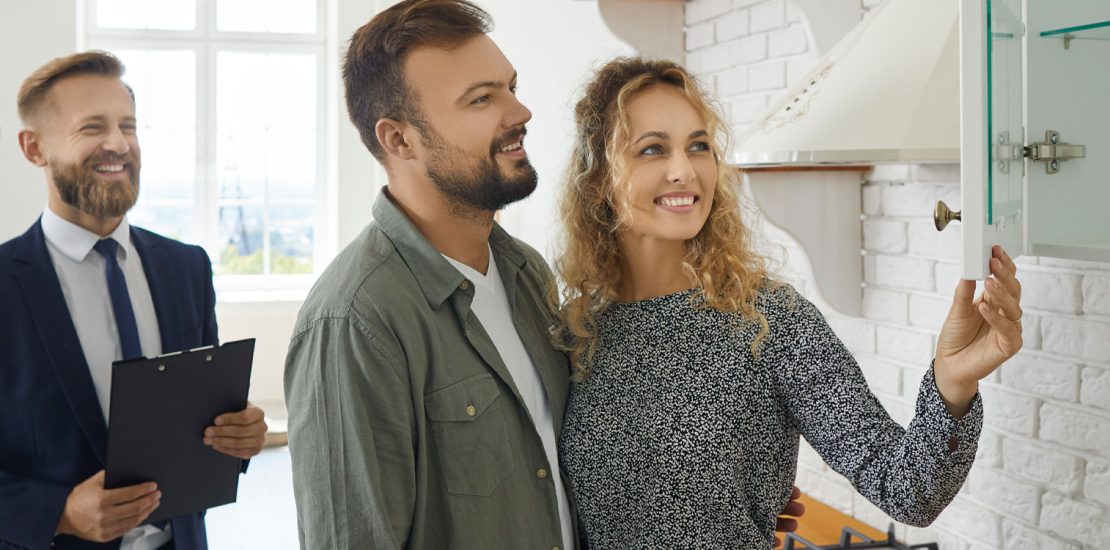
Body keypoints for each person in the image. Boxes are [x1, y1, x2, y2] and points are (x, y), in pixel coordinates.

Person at [282, 2, 806, 549]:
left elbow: (568, 464)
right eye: (481, 99)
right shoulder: (354, 323)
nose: (520, 111)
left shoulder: (526, 273)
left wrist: (706, 488)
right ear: (399, 139)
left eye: (511, 87)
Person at [554, 57, 1025, 549]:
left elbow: (908, 492)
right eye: (652, 149)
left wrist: (953, 382)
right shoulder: (578, 330)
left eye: (699, 146)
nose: (684, 170)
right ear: (598, 178)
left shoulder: (768, 318)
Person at [0, 51, 268, 550]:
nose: (118, 144)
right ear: (34, 148)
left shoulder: (186, 267)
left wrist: (240, 437)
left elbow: (200, 418)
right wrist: (57, 513)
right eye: (92, 127)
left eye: (128, 125)